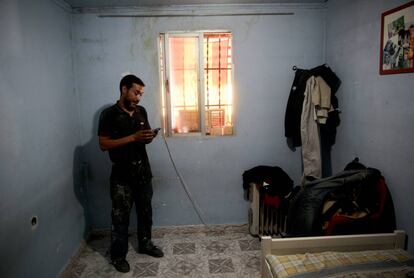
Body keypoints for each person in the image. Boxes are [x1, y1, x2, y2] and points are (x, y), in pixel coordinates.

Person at [98, 74, 163, 273]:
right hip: (121, 178)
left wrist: (148, 137)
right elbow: (103, 144)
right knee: (120, 218)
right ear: (124, 89)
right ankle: (118, 256)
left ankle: (145, 244)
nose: (138, 98)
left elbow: (142, 138)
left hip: (143, 173)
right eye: (136, 92)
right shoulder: (109, 114)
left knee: (145, 213)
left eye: (141, 94)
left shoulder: (141, 111)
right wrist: (133, 137)